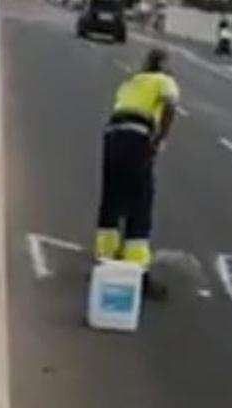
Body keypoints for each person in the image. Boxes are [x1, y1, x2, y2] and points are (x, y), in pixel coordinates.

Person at [94, 49, 179, 298]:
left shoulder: (131, 82)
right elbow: (171, 105)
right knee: (139, 203)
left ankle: (104, 262)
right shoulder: (163, 80)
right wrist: (160, 140)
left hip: (112, 137)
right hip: (136, 138)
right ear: (162, 65)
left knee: (111, 199)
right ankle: (137, 274)